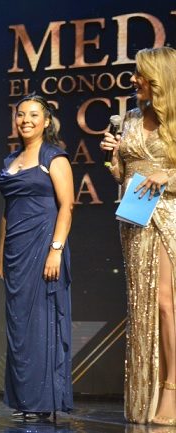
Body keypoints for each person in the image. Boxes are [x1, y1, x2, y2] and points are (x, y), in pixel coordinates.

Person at [101, 46, 176, 425]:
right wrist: (115, 157)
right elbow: (123, 175)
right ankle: (145, 394)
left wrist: (169, 176)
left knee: (166, 302)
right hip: (134, 219)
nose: (133, 79)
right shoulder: (130, 117)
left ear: (158, 78)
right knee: (142, 306)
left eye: (140, 73)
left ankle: (172, 389)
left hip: (169, 216)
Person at [0, 94, 74, 420]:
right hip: (15, 253)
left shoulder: (54, 158)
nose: (25, 120)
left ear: (45, 121)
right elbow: (7, 213)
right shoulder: (10, 160)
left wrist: (55, 251)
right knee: (18, 328)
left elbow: (67, 206)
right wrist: (1, 257)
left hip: (43, 248)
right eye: (20, 114)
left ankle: (43, 401)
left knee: (42, 323)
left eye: (33, 115)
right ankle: (24, 400)